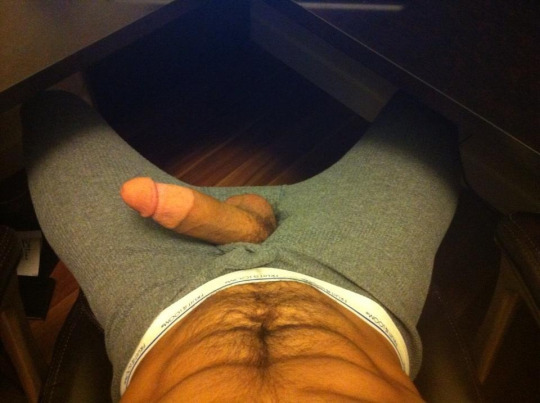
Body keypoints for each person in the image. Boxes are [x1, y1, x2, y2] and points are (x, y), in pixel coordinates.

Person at [22, 90, 461, 402]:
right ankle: (249, 227)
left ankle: (245, 225)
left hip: (160, 304)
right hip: (354, 287)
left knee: (51, 116)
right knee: (433, 106)